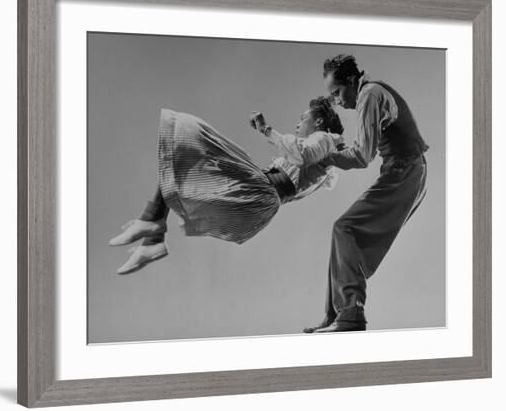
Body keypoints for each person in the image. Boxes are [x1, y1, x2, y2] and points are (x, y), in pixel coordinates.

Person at [109, 96, 345, 275]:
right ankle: (152, 238)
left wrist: (266, 129)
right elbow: (317, 170)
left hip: (262, 189)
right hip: (261, 197)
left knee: (189, 138)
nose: (298, 123)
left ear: (319, 121)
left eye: (303, 118)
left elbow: (301, 155)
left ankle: (151, 224)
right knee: (185, 166)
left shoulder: (323, 139)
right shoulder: (326, 158)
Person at [303, 55, 429, 333]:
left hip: (406, 171)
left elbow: (361, 156)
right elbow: (362, 150)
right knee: (343, 235)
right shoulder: (369, 94)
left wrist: (325, 157)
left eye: (336, 92)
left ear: (351, 81)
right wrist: (333, 155)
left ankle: (350, 314)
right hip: (404, 171)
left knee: (344, 228)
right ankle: (336, 313)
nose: (336, 100)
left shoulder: (369, 95)